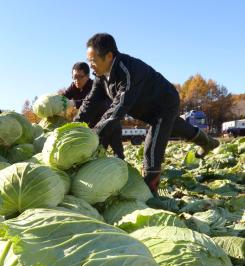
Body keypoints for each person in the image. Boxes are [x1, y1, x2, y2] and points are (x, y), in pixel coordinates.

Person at [75, 33, 219, 193]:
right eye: (89, 61)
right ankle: (208, 142)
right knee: (177, 127)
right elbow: (89, 103)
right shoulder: (100, 77)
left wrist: (93, 137)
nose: (91, 65)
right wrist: (73, 127)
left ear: (109, 56)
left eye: (93, 60)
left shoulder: (127, 71)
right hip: (145, 108)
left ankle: (150, 190)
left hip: (164, 104)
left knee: (152, 149)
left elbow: (118, 109)